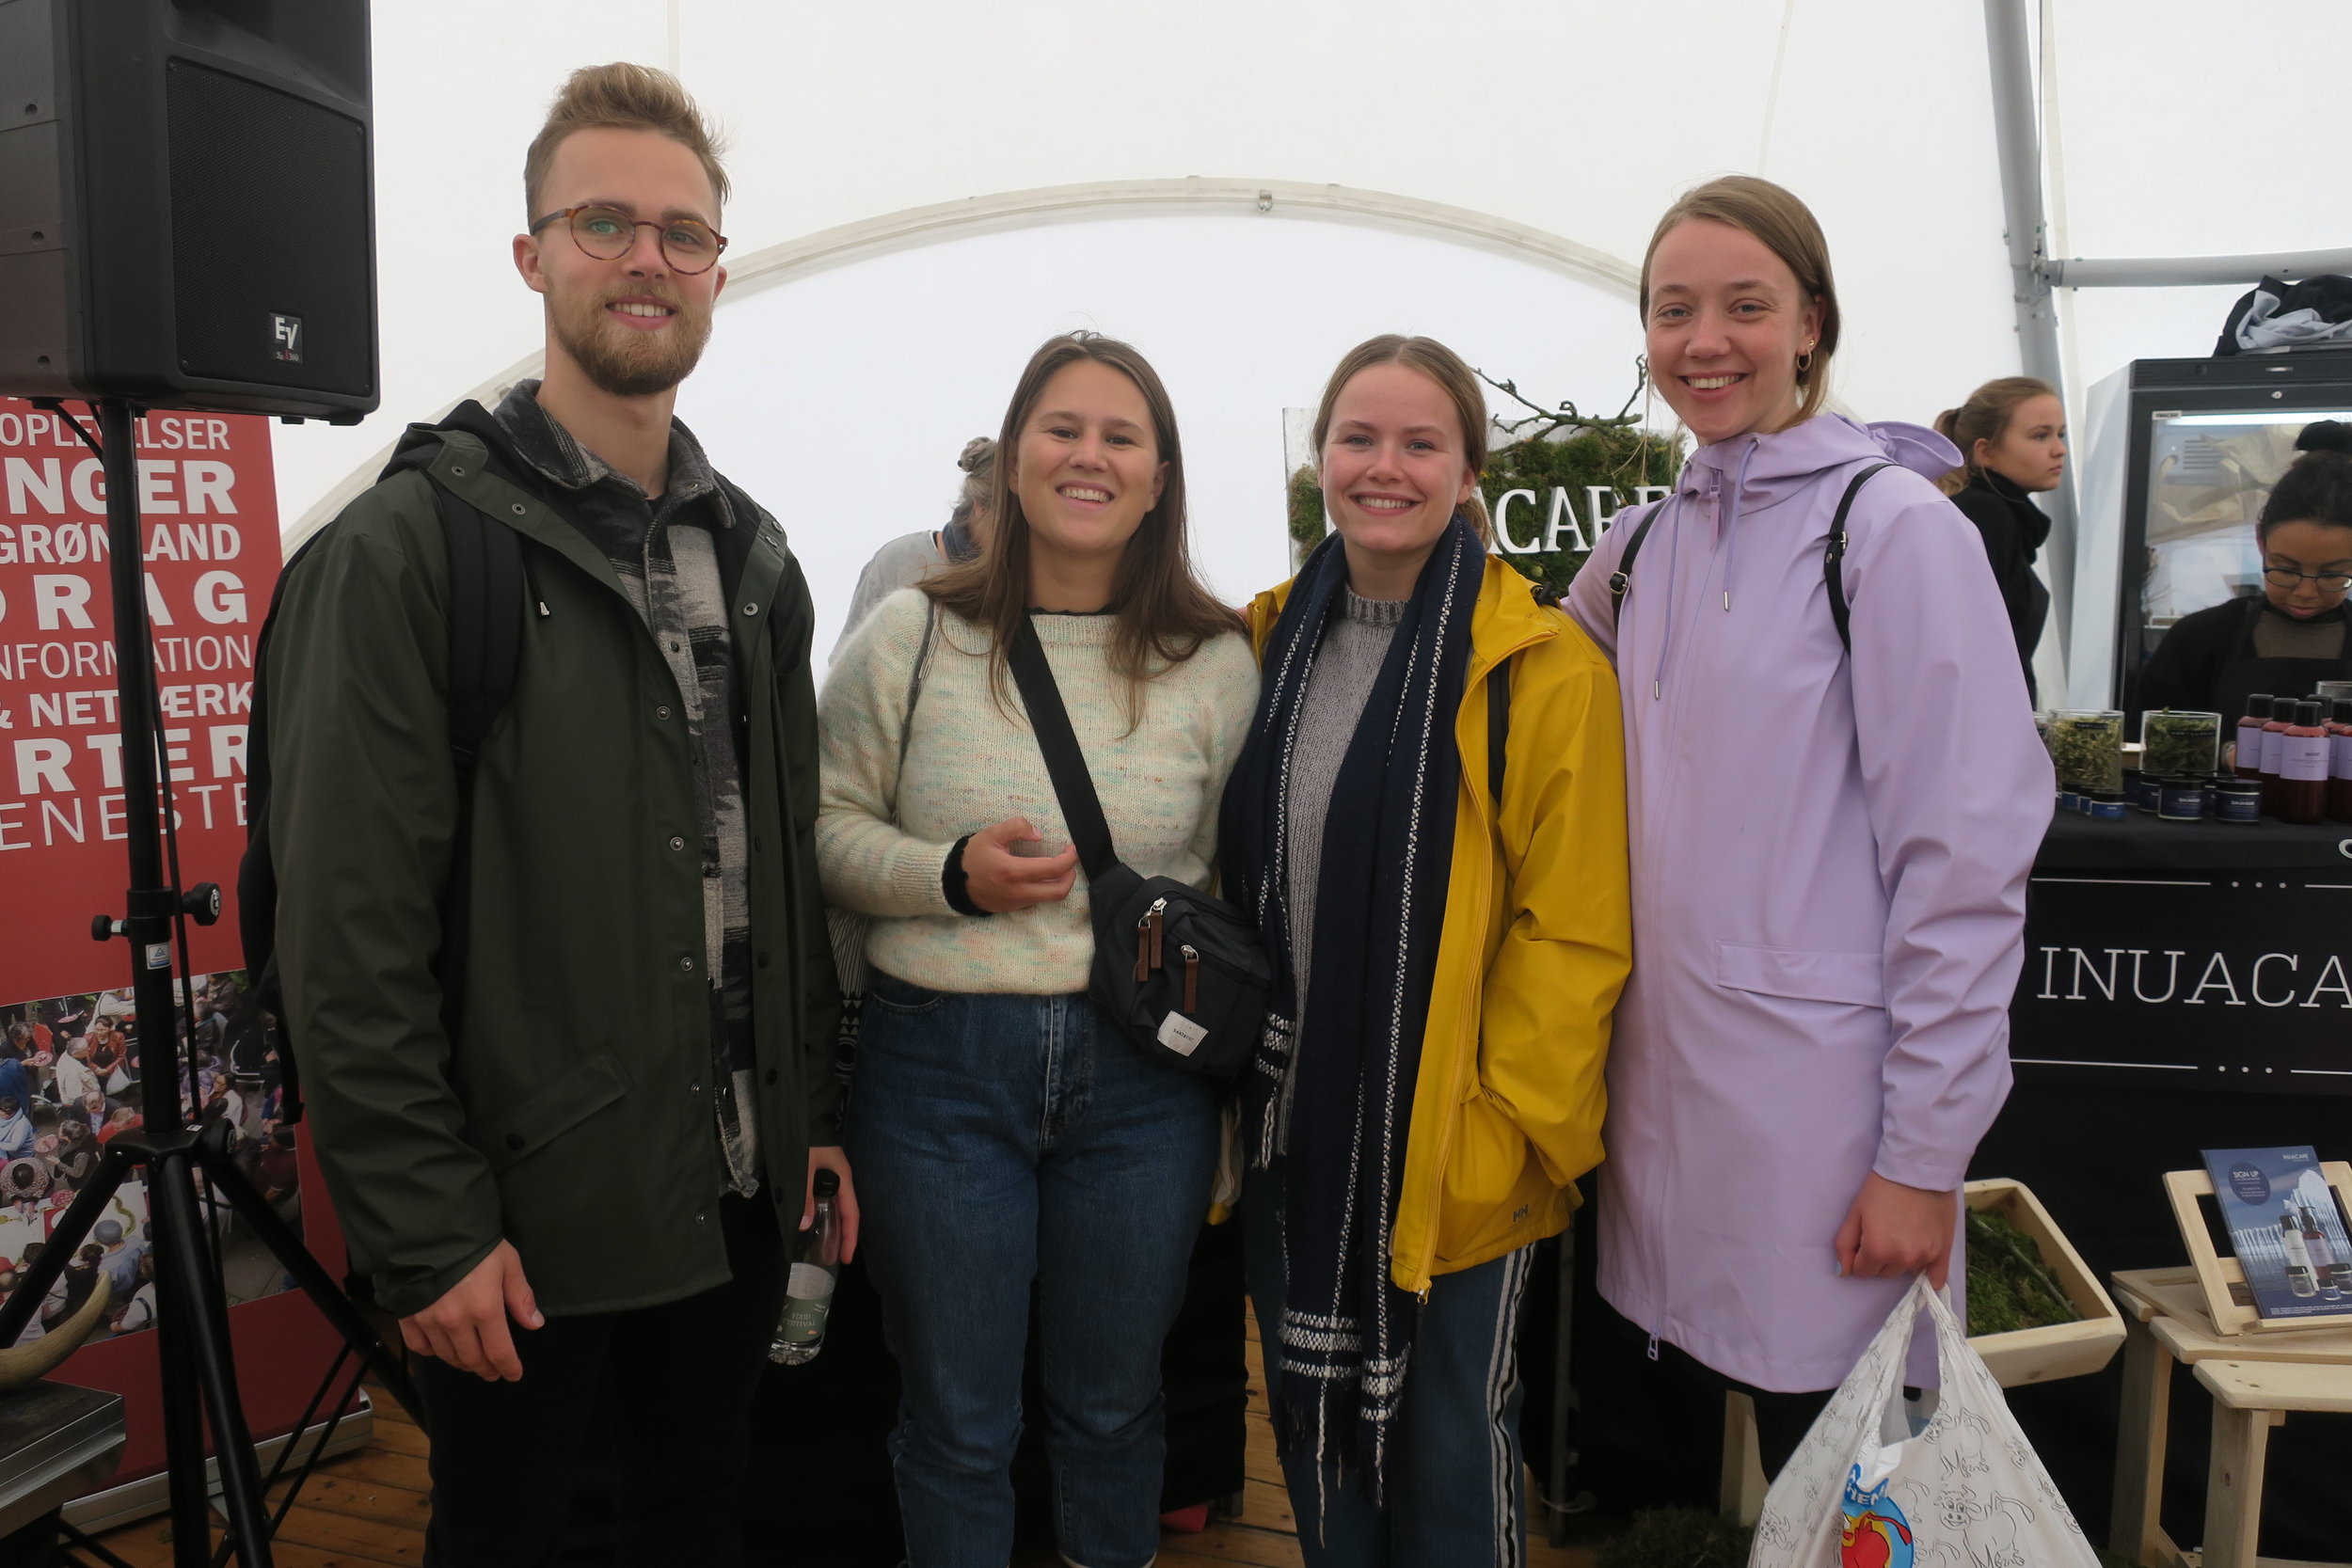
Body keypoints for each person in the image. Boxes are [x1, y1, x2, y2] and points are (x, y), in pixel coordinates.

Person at [263, 63, 849, 1565]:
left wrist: (813, 1125)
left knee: (696, 1516)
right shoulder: (408, 551)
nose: (647, 259)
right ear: (533, 256)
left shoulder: (759, 560)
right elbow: (345, 929)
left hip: (729, 1188)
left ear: (719, 265)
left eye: (682, 233)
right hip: (530, 1214)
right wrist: (425, 1224)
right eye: (605, 224)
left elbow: (774, 881)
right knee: (518, 1534)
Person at [1564, 176, 2049, 1478]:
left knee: (1855, 1477)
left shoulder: (1889, 534)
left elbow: (1966, 862)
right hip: (1666, 1114)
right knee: (1742, 1462)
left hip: (1829, 1127)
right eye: (1675, 310)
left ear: (1812, 325)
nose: (1705, 339)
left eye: (1745, 305)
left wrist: (1922, 1155)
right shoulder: (1640, 547)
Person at [819, 332, 1257, 1568]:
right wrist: (944, 872)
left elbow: (1237, 889)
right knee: (960, 1419)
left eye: (1122, 435)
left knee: (1115, 1412)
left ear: (1162, 477)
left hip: (1143, 1083)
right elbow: (823, 830)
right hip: (939, 1069)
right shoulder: (909, 633)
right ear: (1012, 459)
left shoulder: (1216, 660)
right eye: (1061, 428)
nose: (1088, 455)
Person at [1219, 335, 1629, 1564]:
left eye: (1418, 443)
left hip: (1462, 1138)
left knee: (1452, 1450)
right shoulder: (1262, 641)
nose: (1383, 466)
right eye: (1359, 437)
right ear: (1321, 460)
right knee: (1315, 1443)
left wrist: (1508, 1124)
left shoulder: (1542, 668)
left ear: (1468, 474)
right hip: (1290, 1125)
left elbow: (1578, 930)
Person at [2136, 420, 2352, 721]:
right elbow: (2146, 745)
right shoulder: (2199, 640)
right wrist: (2225, 754)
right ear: (2260, 541)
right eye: (2286, 570)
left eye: (2331, 576)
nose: (2305, 592)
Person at [1935, 377, 2065, 701]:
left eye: (2060, 434)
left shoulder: (1995, 513)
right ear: (1986, 452)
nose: (2059, 449)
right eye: (2040, 435)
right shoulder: (1984, 515)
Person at [833, 435, 997, 656]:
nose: (1023, 533)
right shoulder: (897, 562)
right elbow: (847, 669)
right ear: (981, 506)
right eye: (1014, 518)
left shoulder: (1033, 578)